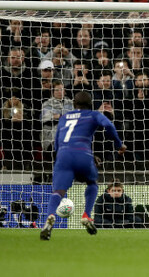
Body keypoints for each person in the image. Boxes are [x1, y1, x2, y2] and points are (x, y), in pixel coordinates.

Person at [40, 91, 126, 240]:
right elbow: (108, 125)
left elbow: (57, 141)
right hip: (83, 154)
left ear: (74, 104)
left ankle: (50, 216)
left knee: (58, 191)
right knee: (92, 183)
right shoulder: (93, 114)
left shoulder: (64, 117)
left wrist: (60, 158)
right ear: (90, 104)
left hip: (63, 155)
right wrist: (119, 144)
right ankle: (86, 215)